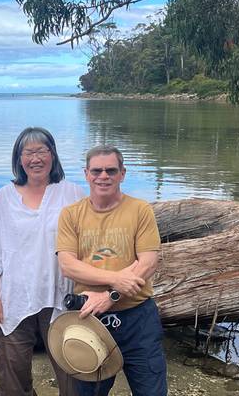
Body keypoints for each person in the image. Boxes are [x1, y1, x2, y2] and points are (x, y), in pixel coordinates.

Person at [56, 145, 167, 396]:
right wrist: (117, 280)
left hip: (138, 318)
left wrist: (110, 296)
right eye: (96, 171)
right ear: (86, 174)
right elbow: (68, 265)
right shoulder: (71, 215)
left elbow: (148, 261)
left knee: (152, 391)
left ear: (122, 174)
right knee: (89, 392)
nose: (103, 176)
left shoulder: (140, 210)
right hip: (89, 319)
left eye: (110, 170)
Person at [0, 127, 83, 396]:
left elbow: (89, 241)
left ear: (53, 155)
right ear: (19, 158)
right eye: (29, 152)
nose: (35, 158)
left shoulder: (71, 193)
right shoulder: (4, 197)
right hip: (15, 298)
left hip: (62, 296)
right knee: (13, 378)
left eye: (42, 151)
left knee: (72, 373)